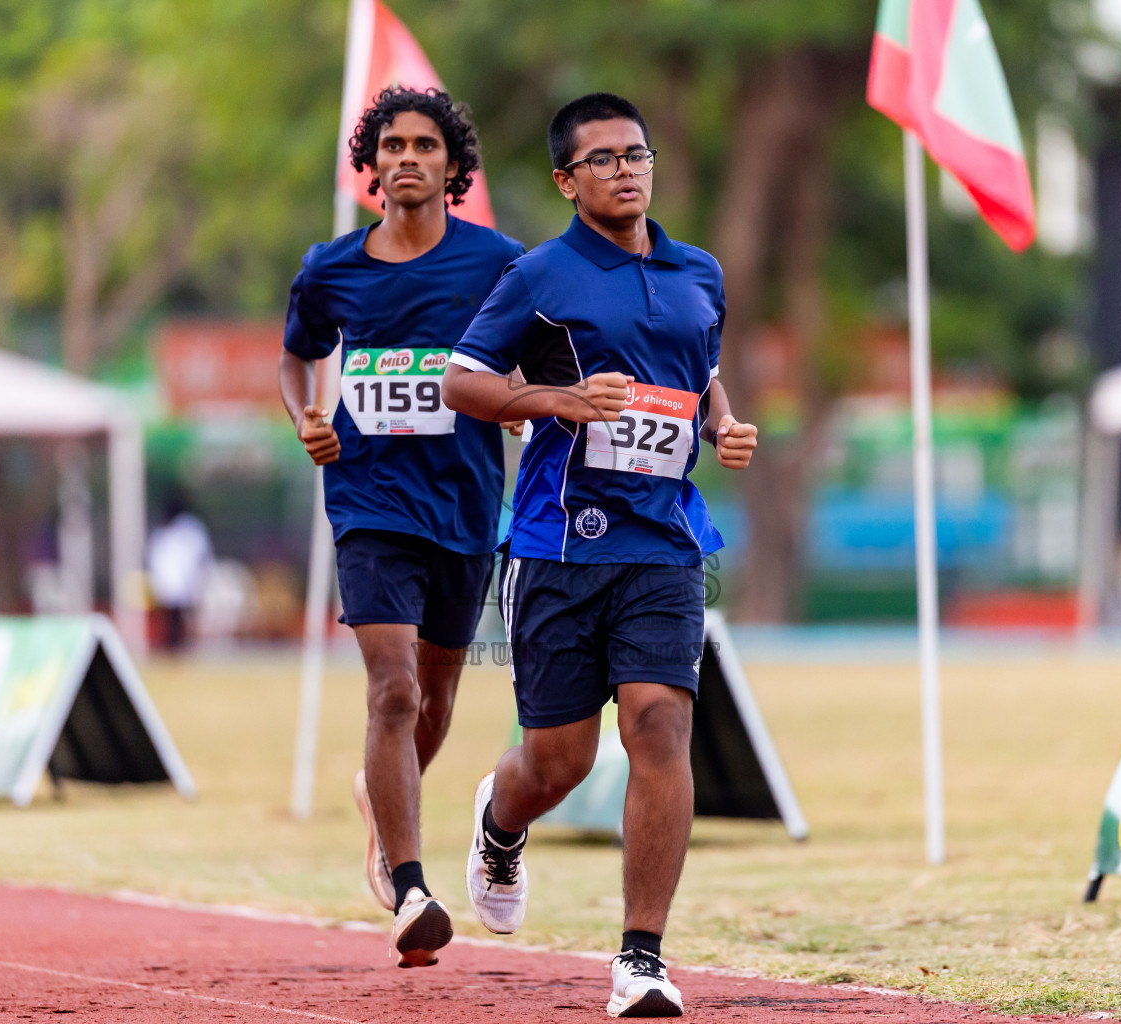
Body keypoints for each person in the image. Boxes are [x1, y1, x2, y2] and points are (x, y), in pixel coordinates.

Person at [442, 92, 758, 1017]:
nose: (627, 170)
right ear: (566, 180)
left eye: (638, 154)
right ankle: (501, 823)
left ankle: (641, 957)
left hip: (663, 540)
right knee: (558, 763)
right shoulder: (542, 276)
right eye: (605, 159)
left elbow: (698, 373)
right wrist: (557, 402)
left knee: (660, 723)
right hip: (558, 543)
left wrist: (725, 423)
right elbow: (462, 382)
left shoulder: (700, 271)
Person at [278, 86, 524, 968]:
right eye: (393, 144)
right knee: (393, 693)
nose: (408, 157)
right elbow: (298, 352)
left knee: (438, 697)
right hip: (368, 502)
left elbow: (534, 355)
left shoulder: (499, 263)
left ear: (454, 168)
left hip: (462, 506)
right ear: (371, 163)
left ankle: (381, 801)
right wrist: (307, 411)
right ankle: (411, 883)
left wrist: (522, 404)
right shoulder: (331, 267)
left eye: (426, 144)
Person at [146, 491, 214, 652]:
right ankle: (173, 647)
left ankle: (182, 647)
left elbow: (199, 555)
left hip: (184, 582)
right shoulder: (165, 531)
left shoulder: (188, 528)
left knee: (181, 619)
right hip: (170, 583)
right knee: (171, 619)